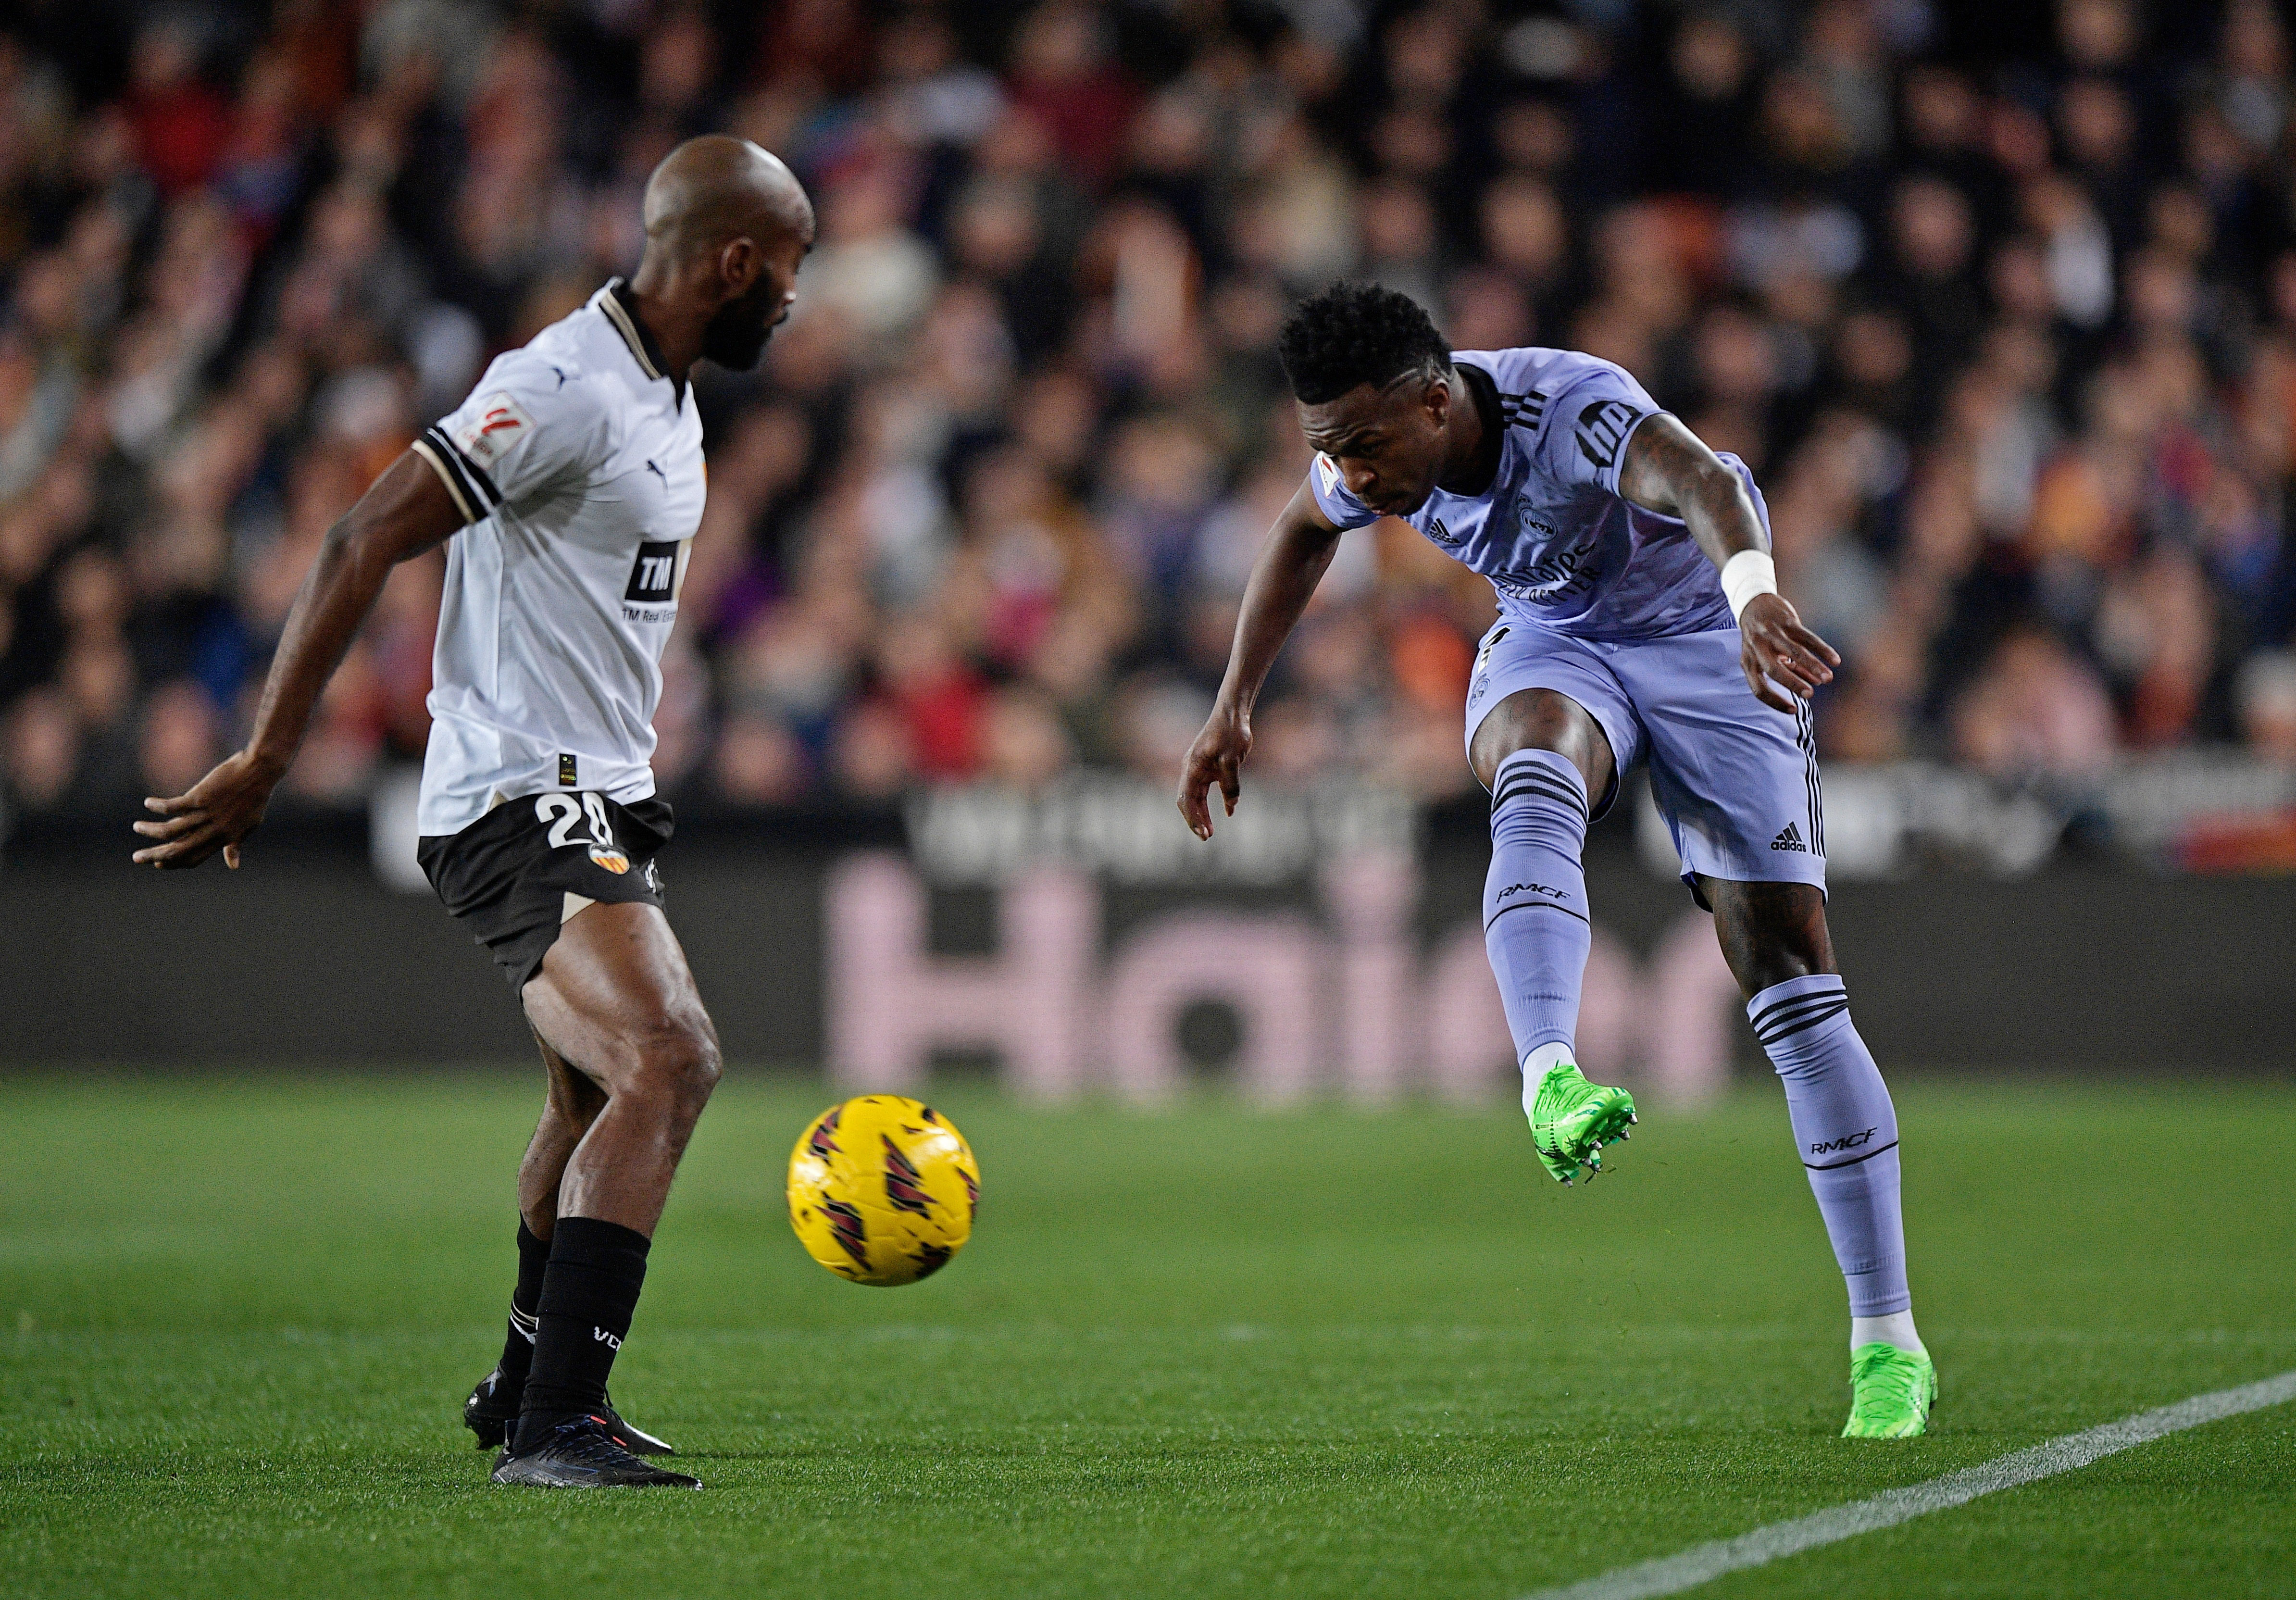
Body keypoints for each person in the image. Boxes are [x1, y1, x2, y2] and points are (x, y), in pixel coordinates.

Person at [130, 136, 816, 1488]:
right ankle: (563, 1423)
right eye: (790, 270)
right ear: (734, 260)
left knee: (586, 1103)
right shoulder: (561, 387)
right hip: (518, 794)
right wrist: (268, 753)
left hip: (601, 795)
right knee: (670, 1058)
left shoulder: (667, 395)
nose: (794, 300)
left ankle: (521, 1389)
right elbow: (364, 533)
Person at [1176, 282, 1934, 1439]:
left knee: (1787, 968)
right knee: (1531, 766)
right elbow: (1298, 530)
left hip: (1706, 641)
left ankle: (1887, 1342)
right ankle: (1548, 1075)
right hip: (1556, 636)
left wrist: (1755, 594)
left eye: (1368, 448)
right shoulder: (1368, 448)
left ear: (1436, 403)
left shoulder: (1568, 408)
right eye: (1332, 448)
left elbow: (1705, 481)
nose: (1357, 475)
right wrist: (1234, 704)